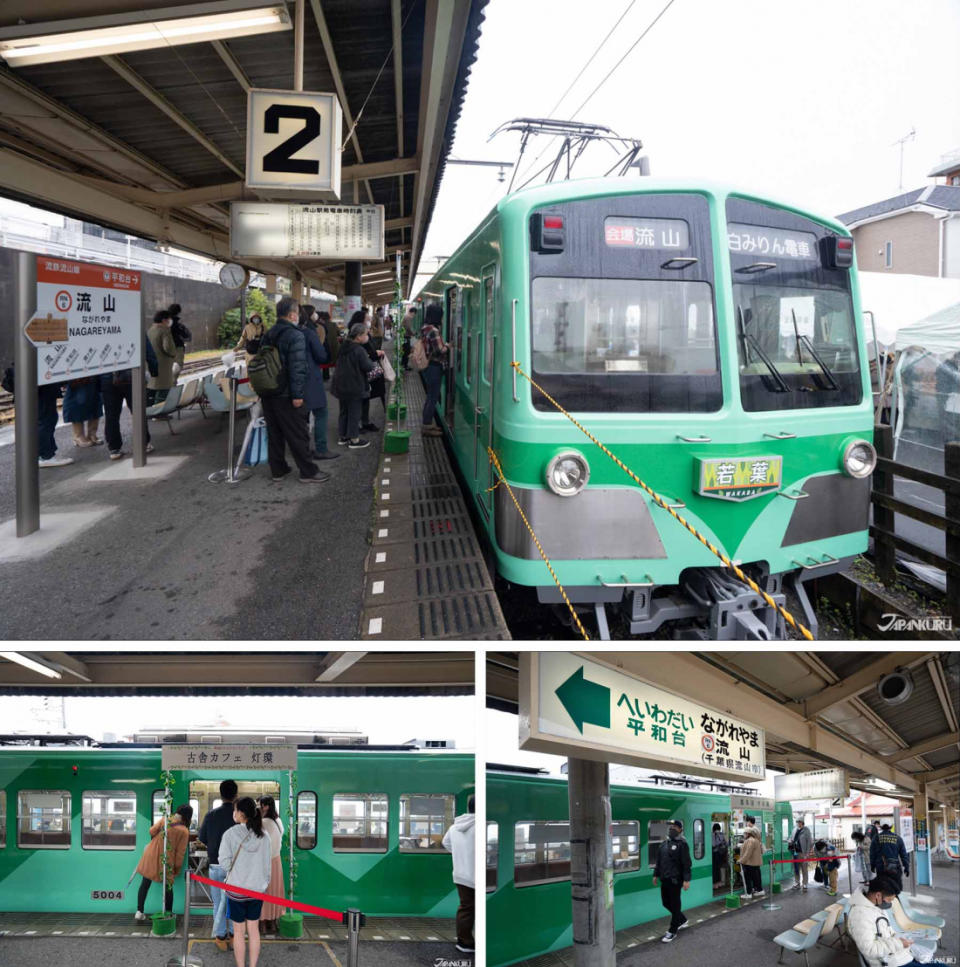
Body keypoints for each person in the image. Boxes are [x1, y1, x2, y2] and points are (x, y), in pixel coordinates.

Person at [259, 296, 328, 484]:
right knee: (298, 434)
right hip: (287, 393)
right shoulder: (295, 335)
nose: (299, 316)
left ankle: (278, 470)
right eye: (297, 313)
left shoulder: (270, 333)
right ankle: (308, 472)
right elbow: (297, 368)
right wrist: (298, 396)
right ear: (291, 314)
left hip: (268, 391)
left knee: (275, 433)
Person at [847, 875, 949, 967]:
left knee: (941, 965)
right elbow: (870, 949)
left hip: (899, 955)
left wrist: (902, 940)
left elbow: (885, 933)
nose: (890, 903)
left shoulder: (874, 906)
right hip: (891, 963)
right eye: (890, 900)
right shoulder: (860, 915)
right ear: (878, 895)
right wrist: (900, 944)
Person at [220, 797, 272, 967]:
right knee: (254, 930)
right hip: (256, 891)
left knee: (239, 931)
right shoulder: (265, 836)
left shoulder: (230, 834)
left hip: (236, 892)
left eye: (235, 810)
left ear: (241, 814)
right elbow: (267, 867)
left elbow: (225, 863)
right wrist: (262, 884)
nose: (233, 813)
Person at [199, 779, 239, 951]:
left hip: (215, 865)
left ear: (221, 794)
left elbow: (202, 838)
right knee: (234, 901)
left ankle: (221, 936)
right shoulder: (240, 816)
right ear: (236, 795)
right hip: (236, 867)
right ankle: (233, 936)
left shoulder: (210, 815)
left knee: (218, 903)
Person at [134, 804, 192, 921]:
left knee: (145, 883)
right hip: (167, 858)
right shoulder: (184, 831)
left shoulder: (165, 819)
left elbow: (151, 831)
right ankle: (169, 913)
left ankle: (139, 911)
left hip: (151, 854)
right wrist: (177, 868)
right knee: (168, 886)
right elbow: (180, 853)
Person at [332, 322, 381, 449]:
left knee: (344, 411)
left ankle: (343, 437)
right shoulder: (359, 350)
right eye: (366, 334)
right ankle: (354, 440)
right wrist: (372, 361)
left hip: (340, 384)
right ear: (358, 336)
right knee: (354, 412)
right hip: (354, 385)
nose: (367, 336)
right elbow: (368, 366)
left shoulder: (343, 346)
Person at [299, 305, 338, 461]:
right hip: (310, 379)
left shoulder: (280, 331)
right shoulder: (309, 332)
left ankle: (302, 449)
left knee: (300, 416)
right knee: (321, 412)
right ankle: (320, 449)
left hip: (291, 381)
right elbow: (322, 356)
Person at [441, 795, 475, 954]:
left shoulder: (455, 826)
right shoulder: (479, 826)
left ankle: (464, 941)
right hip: (477, 876)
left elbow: (445, 843)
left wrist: (459, 856)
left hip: (461, 874)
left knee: (465, 908)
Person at [100, 364, 153, 460]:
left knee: (111, 415)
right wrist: (153, 370)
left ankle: (114, 449)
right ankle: (144, 443)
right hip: (131, 374)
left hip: (107, 376)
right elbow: (147, 351)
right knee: (137, 411)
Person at [652, 819, 691, 942]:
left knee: (675, 904)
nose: (672, 828)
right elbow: (658, 861)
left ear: (680, 829)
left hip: (675, 879)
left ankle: (673, 930)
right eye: (671, 826)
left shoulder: (682, 844)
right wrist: (655, 875)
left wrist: (686, 879)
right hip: (665, 878)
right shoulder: (664, 844)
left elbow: (686, 863)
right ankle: (682, 919)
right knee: (665, 903)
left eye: (675, 827)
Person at [257, 795, 285, 934]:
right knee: (274, 892)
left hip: (263, 862)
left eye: (260, 804)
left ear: (266, 806)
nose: (259, 807)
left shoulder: (262, 822)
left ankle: (261, 924)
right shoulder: (278, 821)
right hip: (276, 860)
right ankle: (273, 924)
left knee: (263, 892)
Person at [420, 303, 448, 437]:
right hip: (434, 366)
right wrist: (448, 346)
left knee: (430, 396)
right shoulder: (434, 330)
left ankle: (428, 423)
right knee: (433, 397)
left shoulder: (425, 328)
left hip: (427, 366)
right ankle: (426, 426)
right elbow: (439, 350)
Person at [37, 381, 73, 467]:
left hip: (41, 387)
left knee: (46, 420)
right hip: (42, 387)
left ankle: (46, 454)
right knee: (45, 421)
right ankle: (46, 456)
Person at [147, 309, 177, 406]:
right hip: (163, 366)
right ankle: (159, 413)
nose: (170, 322)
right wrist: (174, 353)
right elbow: (168, 348)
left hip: (151, 365)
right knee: (163, 390)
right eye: (169, 319)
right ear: (164, 320)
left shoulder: (150, 330)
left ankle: (150, 411)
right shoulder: (164, 331)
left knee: (152, 389)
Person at [62, 377, 102, 447]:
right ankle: (79, 437)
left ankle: (92, 434)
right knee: (77, 404)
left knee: (95, 401)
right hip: (75, 376)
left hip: (93, 374)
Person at [871, 822, 910, 892]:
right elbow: (904, 854)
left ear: (881, 827)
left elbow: (872, 853)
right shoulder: (898, 838)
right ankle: (894, 899)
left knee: (882, 886)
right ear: (891, 827)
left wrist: (872, 865)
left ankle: (883, 900)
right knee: (895, 886)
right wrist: (906, 867)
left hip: (880, 867)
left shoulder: (876, 838)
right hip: (894, 867)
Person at [739, 822, 764, 898]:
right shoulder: (755, 840)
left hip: (750, 863)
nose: (744, 835)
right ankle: (760, 890)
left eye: (744, 833)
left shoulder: (750, 841)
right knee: (756, 878)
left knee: (748, 878)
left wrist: (741, 860)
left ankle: (748, 893)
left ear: (747, 834)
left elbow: (748, 853)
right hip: (755, 863)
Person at [788, 817, 813, 892]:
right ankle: (797, 883)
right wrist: (789, 841)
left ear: (802, 822)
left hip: (803, 853)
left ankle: (805, 883)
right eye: (797, 822)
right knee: (796, 868)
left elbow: (809, 842)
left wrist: (807, 853)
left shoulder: (806, 830)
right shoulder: (794, 829)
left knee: (804, 869)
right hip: (795, 852)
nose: (798, 823)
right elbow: (791, 838)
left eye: (799, 822)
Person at [317, 310, 340, 381]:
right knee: (333, 361)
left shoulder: (318, 325)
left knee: (325, 361)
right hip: (334, 345)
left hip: (324, 344)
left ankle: (324, 376)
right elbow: (338, 333)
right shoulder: (333, 324)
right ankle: (331, 377)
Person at [168, 303, 191, 371]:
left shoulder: (163, 326)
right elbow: (188, 336)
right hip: (177, 348)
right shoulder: (178, 325)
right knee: (176, 369)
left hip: (166, 350)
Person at [711, 822, 728, 889]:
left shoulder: (713, 835)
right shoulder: (722, 834)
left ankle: (715, 885)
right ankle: (721, 883)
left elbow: (713, 845)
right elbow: (726, 844)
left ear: (713, 828)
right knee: (721, 868)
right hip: (722, 854)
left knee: (715, 869)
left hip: (715, 854)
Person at [401, 306, 416, 371]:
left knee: (405, 351)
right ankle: (405, 366)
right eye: (415, 314)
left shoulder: (406, 316)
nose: (414, 315)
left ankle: (403, 364)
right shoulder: (408, 317)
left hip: (404, 336)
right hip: (406, 336)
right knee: (406, 351)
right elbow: (408, 328)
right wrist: (413, 333)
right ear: (413, 312)